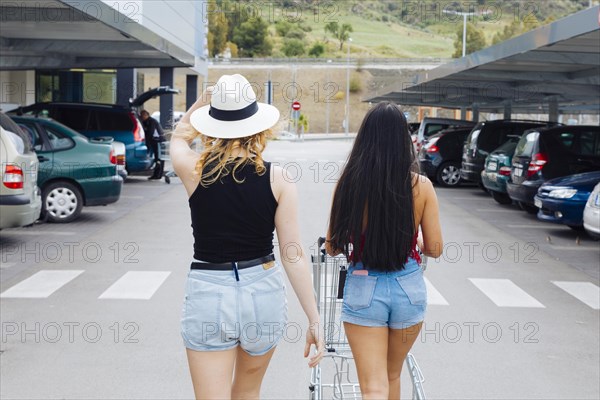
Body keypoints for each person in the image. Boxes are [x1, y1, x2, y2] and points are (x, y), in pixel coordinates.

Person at [170, 74, 324, 400]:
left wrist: (201, 102)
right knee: (248, 393)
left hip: (209, 290)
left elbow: (178, 138)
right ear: (258, 126)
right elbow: (293, 254)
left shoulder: (195, 170)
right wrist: (314, 319)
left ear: (212, 124)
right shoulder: (279, 179)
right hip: (262, 290)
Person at [326, 102, 443, 400]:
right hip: (408, 288)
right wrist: (413, 242)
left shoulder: (349, 183)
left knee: (373, 387)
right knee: (393, 375)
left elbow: (332, 245)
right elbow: (435, 248)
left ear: (365, 138)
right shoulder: (423, 186)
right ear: (404, 141)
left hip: (365, 287)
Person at [140, 109, 165, 180]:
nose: (142, 117)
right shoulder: (146, 122)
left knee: (158, 158)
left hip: (158, 141)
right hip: (155, 141)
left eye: (143, 116)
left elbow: (150, 133)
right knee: (158, 158)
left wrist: (147, 143)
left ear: (147, 115)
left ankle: (157, 174)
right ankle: (158, 174)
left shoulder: (151, 122)